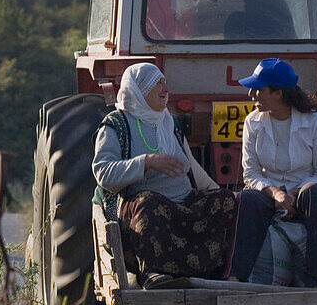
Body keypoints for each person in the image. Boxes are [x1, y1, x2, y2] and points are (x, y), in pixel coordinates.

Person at [92, 63, 238, 286]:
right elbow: (104, 173)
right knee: (150, 204)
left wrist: (220, 192)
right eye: (157, 83)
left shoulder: (169, 121)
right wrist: (147, 162)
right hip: (142, 207)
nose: (165, 88)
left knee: (225, 201)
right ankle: (153, 273)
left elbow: (192, 167)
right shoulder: (116, 125)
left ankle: (214, 273)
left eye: (165, 82)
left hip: (181, 203)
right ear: (140, 89)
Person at [227, 58, 317, 286]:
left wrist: (294, 194)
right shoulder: (252, 122)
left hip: (304, 190)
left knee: (314, 194)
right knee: (246, 198)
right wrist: (276, 194)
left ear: (277, 94)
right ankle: (237, 274)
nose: (252, 96)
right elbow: (251, 173)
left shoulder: (316, 121)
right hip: (270, 192)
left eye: (258, 90)